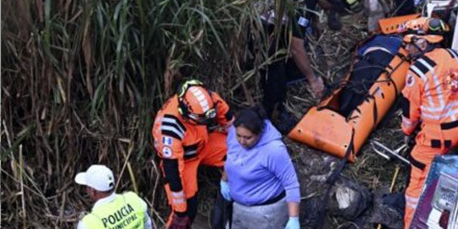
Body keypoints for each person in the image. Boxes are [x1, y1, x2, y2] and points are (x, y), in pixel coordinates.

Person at [398, 17, 458, 228]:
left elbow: (410, 111)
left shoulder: (418, 71)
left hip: (438, 138)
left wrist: (406, 131)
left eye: (408, 44)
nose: (407, 49)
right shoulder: (456, 56)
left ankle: (411, 224)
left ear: (422, 42)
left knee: (416, 185)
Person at [152, 79, 234, 229]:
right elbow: (173, 172)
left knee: (239, 154)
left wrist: (241, 147)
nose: (206, 121)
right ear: (185, 112)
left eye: (208, 117)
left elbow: (230, 124)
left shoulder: (209, 100)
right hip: (183, 160)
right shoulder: (170, 129)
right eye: (201, 118)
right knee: (187, 211)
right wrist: (180, 212)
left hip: (204, 143)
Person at [251, 0, 327, 126]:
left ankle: (291, 74)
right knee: (274, 62)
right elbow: (296, 47)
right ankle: (274, 111)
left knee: (295, 39)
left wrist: (314, 21)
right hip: (257, 13)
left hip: (272, 9)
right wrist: (313, 80)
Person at [221, 106, 301, 229]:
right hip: (237, 208)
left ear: (260, 133)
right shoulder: (234, 133)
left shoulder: (273, 150)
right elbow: (232, 157)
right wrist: (224, 180)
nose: (242, 141)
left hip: (266, 213)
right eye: (239, 136)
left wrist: (293, 218)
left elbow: (291, 183)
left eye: (248, 138)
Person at [75, 164, 152, 229]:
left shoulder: (88, 224)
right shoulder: (134, 200)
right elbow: (148, 225)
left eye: (87, 187)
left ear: (93, 191)